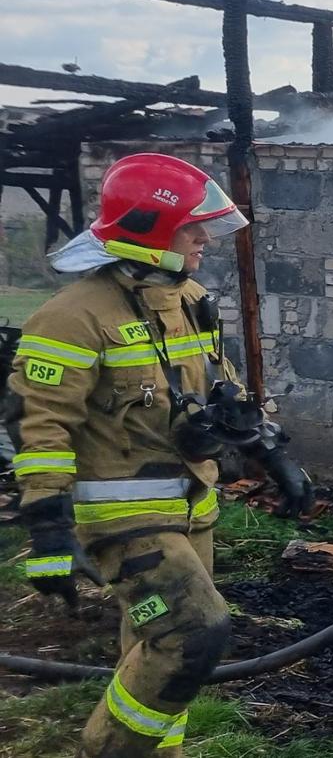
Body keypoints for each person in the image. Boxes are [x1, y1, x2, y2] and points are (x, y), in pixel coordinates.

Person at [10, 153, 311, 757]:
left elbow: (220, 389)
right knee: (194, 634)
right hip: (121, 520)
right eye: (191, 226)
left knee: (154, 650)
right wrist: (46, 526)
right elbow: (39, 425)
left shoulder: (189, 297)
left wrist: (270, 454)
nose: (203, 238)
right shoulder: (69, 318)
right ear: (149, 235)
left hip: (191, 508)